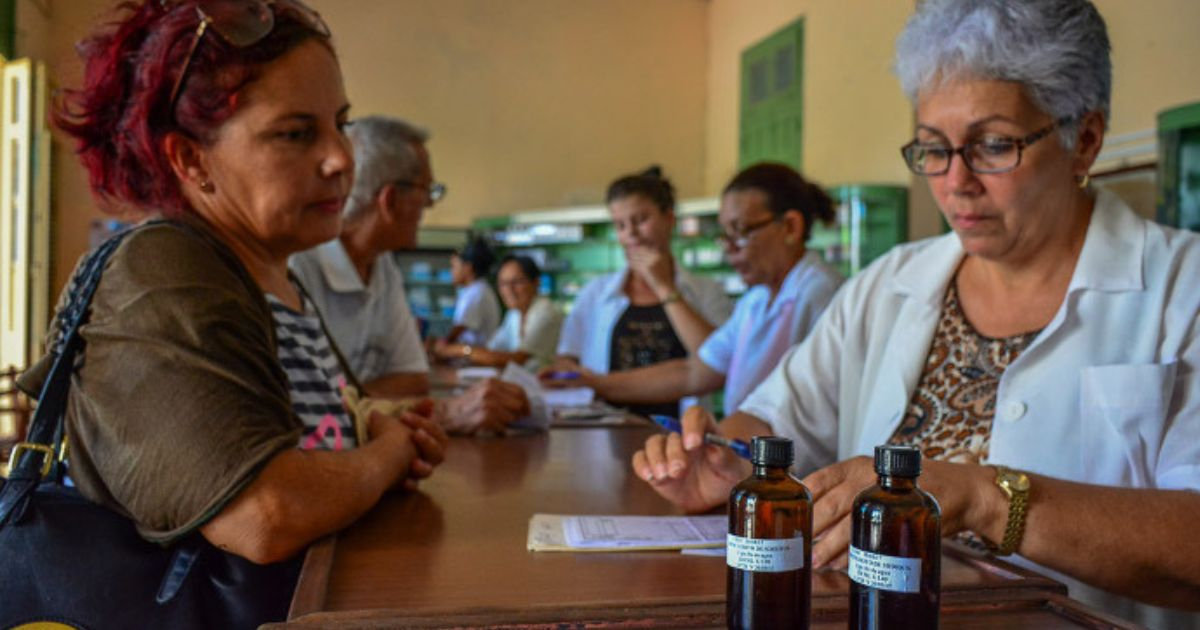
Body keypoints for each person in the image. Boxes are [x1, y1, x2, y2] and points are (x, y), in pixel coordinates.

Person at [632, 0, 1200, 626]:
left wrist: (989, 497)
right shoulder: (889, 285)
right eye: (933, 148)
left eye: (992, 146)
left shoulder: (1182, 290)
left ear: (1083, 140)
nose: (956, 181)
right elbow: (773, 416)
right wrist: (723, 461)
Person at [17, 0, 446, 621]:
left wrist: (378, 430)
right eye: (296, 133)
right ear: (190, 159)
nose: (341, 159)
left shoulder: (273, 272)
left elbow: (319, 436)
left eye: (340, 124)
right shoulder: (164, 271)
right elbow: (263, 516)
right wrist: (388, 455)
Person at [290, 115, 529, 434]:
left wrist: (349, 400)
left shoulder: (383, 265)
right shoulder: (298, 265)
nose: (429, 204)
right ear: (389, 200)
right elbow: (305, 408)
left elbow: (413, 379)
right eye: (427, 191)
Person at [544, 163, 841, 417]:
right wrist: (594, 383)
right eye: (726, 235)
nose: (731, 250)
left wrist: (665, 289)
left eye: (742, 232)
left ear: (790, 227)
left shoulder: (821, 294)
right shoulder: (757, 299)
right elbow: (695, 371)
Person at [552, 166, 733, 418]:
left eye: (640, 220)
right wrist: (569, 375)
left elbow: (719, 360)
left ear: (669, 219)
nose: (631, 235)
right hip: (605, 430)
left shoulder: (706, 291)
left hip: (679, 437)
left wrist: (664, 288)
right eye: (621, 225)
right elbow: (566, 357)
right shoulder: (595, 294)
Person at [435, 255, 564, 371]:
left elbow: (517, 359)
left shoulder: (546, 313)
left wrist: (460, 350)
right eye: (503, 284)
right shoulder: (514, 314)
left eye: (517, 282)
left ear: (536, 283)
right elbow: (493, 350)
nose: (509, 290)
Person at [443, 236, 502, 346]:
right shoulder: (473, 290)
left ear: (467, 267)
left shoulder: (477, 293)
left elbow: (458, 330)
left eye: (454, 266)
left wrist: (441, 344)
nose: (451, 272)